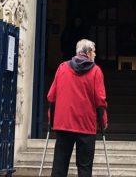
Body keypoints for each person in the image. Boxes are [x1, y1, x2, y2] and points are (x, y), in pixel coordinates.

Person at [47, 38, 108, 177]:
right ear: (87, 52)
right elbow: (100, 101)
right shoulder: (96, 71)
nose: (95, 55)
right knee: (85, 167)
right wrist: (103, 122)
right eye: (94, 52)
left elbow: (52, 96)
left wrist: (51, 120)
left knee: (59, 165)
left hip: (64, 124)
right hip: (86, 126)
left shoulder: (62, 68)